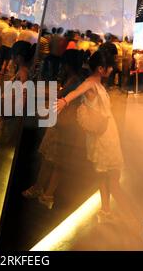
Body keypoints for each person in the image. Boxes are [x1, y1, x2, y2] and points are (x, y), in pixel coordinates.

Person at [56, 50, 134, 223]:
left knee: (104, 177)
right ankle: (133, 218)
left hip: (106, 134)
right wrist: (65, 101)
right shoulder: (91, 82)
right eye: (110, 67)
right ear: (101, 68)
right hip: (104, 138)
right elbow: (77, 91)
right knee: (113, 179)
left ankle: (105, 212)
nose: (112, 70)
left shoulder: (98, 83)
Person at [23, 49, 86, 209]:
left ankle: (47, 193)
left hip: (64, 126)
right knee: (51, 158)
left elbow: (59, 98)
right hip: (61, 124)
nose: (61, 67)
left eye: (63, 64)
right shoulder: (74, 79)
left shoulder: (75, 81)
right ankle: (41, 190)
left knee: (56, 160)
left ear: (67, 65)